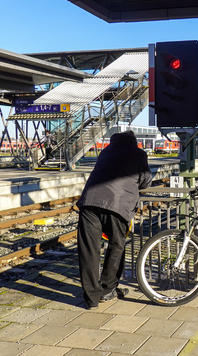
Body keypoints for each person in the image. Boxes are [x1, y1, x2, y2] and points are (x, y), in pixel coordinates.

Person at [76, 131, 152, 309]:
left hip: (90, 202)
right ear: (134, 142)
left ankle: (91, 298)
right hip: (117, 205)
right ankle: (108, 289)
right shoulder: (139, 154)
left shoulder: (106, 151)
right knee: (117, 245)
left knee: (89, 250)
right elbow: (146, 181)